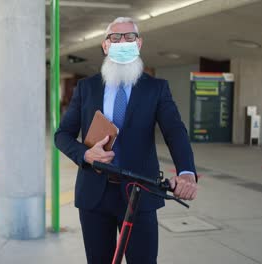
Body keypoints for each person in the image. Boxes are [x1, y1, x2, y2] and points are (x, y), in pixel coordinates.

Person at [54, 17, 198, 264]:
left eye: (129, 37)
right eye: (115, 37)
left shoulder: (156, 88)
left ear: (139, 44)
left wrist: (186, 171)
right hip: (94, 195)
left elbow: (175, 130)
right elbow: (62, 135)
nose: (123, 41)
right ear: (105, 46)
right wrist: (85, 154)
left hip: (140, 194)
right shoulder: (86, 88)